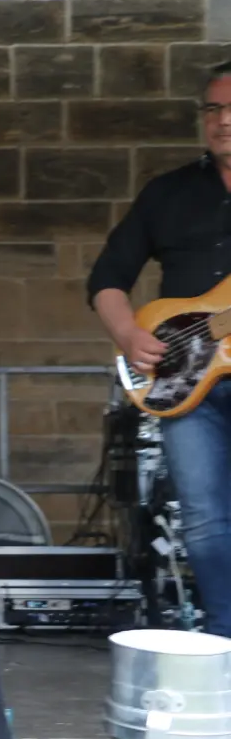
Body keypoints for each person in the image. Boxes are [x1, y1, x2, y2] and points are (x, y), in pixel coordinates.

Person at [89, 60, 231, 638]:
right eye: (214, 109)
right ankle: (224, 637)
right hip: (185, 379)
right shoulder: (167, 193)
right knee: (201, 516)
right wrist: (128, 334)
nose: (224, 121)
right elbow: (106, 277)